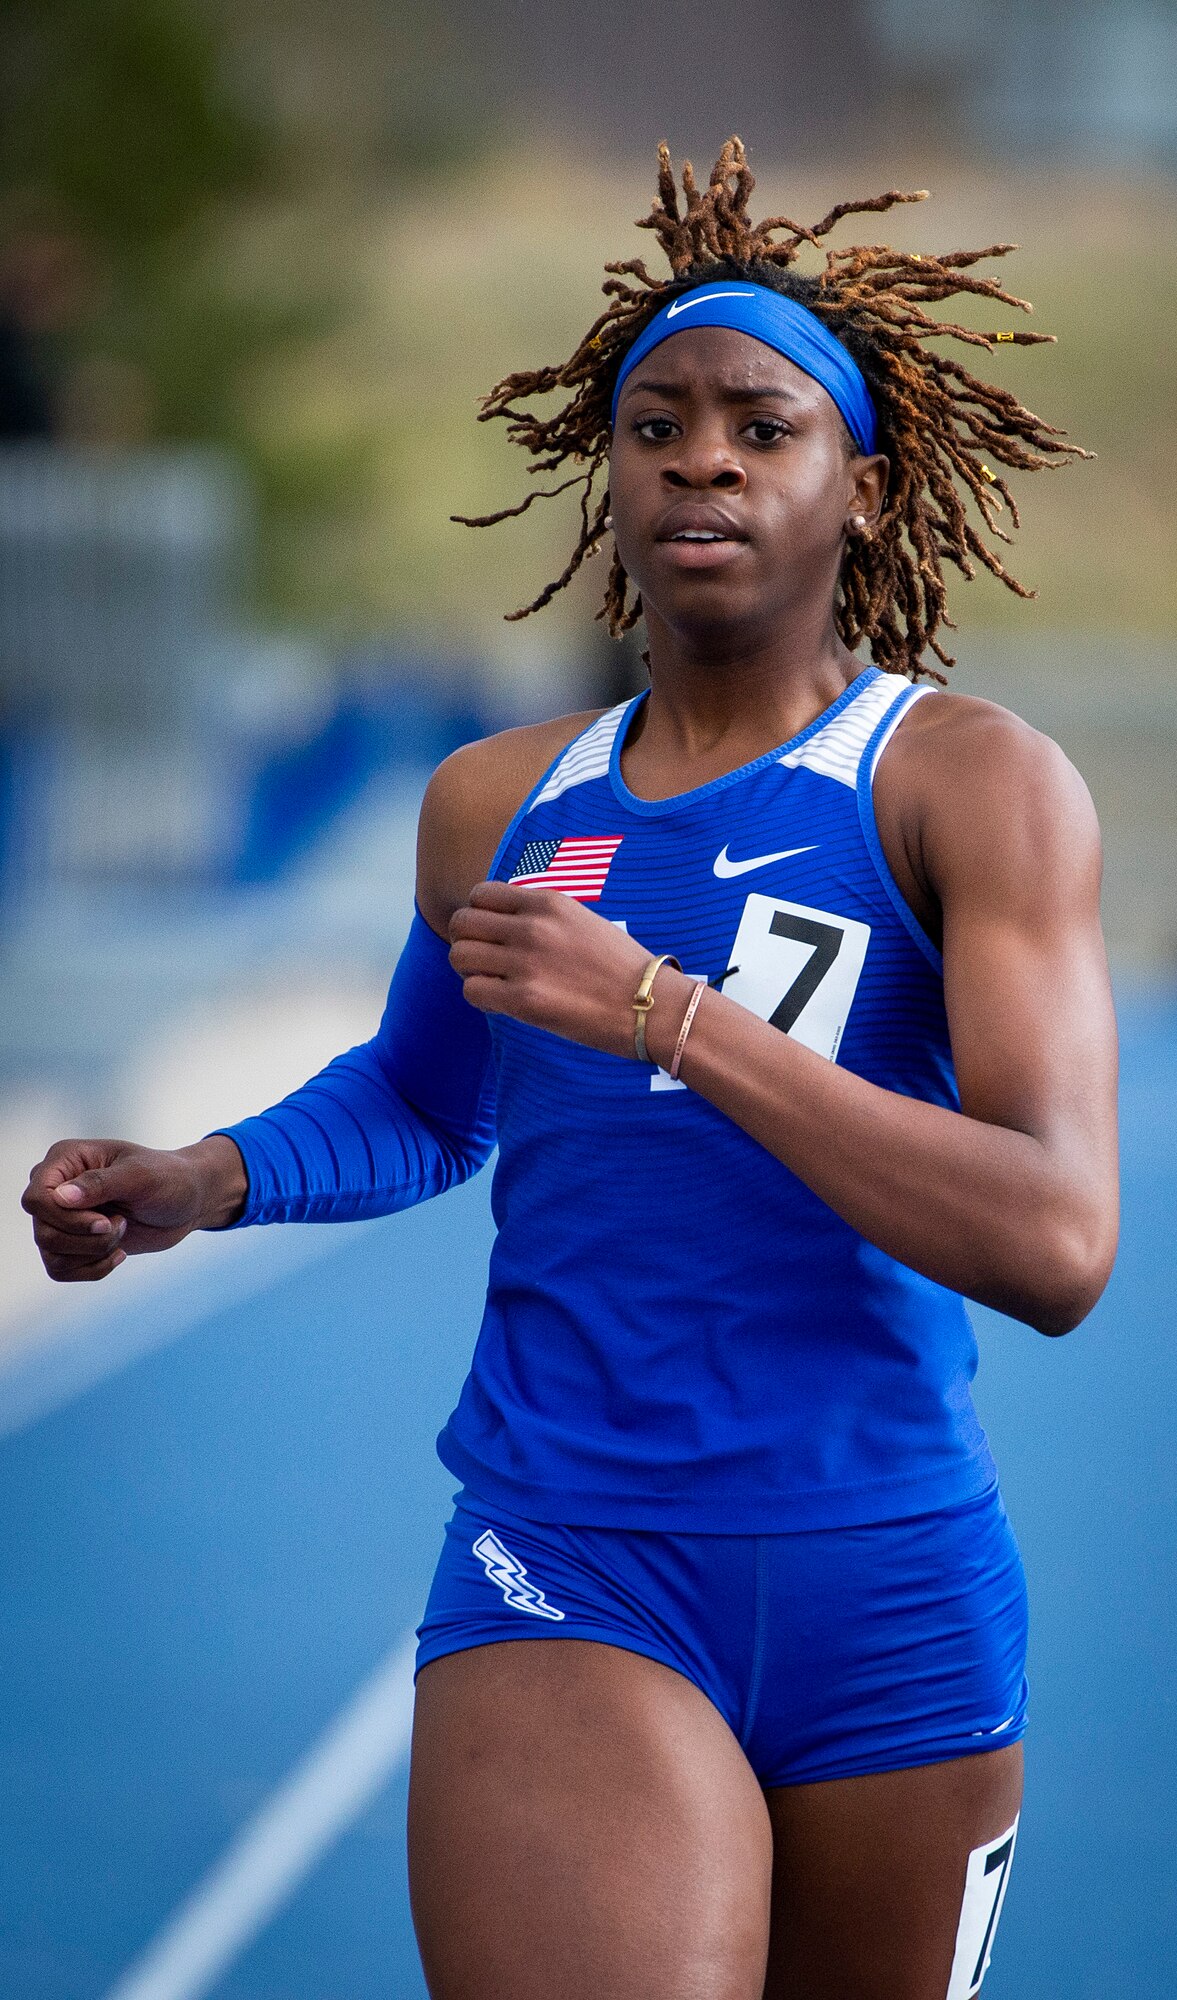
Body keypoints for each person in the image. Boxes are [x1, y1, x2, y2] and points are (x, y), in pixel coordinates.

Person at [23, 139, 1119, 2000]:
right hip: (570, 1555)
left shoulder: (964, 784)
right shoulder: (499, 803)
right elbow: (426, 1099)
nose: (703, 457)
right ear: (601, 473)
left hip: (895, 1587)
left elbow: (1056, 1239)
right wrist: (202, 1176)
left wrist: (675, 1019)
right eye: (657, 422)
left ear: (859, 488)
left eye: (763, 428)